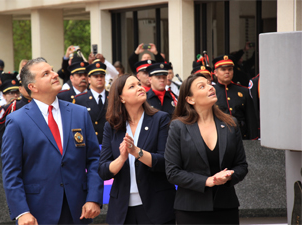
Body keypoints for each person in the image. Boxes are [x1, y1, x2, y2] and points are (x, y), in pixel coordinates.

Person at [1, 57, 103, 225]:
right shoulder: (17, 121)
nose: (55, 75)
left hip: (79, 211)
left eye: (53, 70)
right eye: (46, 74)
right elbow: (11, 172)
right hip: (38, 213)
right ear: (32, 86)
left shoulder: (80, 113)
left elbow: (94, 159)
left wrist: (94, 198)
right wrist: (22, 212)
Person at [164, 73, 248, 224]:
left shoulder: (230, 124)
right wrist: (207, 181)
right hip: (190, 210)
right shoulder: (178, 127)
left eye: (209, 84)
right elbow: (172, 172)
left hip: (226, 208)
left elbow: (241, 166)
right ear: (190, 99)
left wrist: (229, 177)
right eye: (202, 86)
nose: (210, 87)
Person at [99, 74, 175, 224]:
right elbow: (103, 170)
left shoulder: (160, 119)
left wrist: (137, 152)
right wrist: (122, 158)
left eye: (139, 84)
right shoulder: (111, 126)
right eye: (132, 86)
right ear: (121, 98)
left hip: (156, 206)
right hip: (122, 210)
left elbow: (165, 162)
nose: (140, 88)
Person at [212, 55, 259, 140]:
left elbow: (251, 119)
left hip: (241, 137)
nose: (227, 72)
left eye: (230, 69)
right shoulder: (211, 92)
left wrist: (253, 140)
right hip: (218, 137)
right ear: (215, 73)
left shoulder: (243, 91)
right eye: (223, 70)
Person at [74, 60, 107, 145]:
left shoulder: (113, 97)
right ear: (89, 79)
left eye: (102, 76)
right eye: (96, 76)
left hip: (109, 143)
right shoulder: (80, 99)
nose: (99, 79)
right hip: (91, 143)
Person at [0, 75, 21, 149]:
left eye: (17, 92)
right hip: (0, 151)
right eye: (11, 93)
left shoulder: (24, 110)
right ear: (4, 96)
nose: (15, 95)